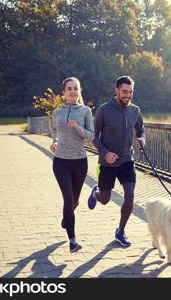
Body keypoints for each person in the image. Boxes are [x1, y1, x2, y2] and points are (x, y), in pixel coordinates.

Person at [87, 76, 145, 247]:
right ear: (117, 91)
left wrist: (142, 138)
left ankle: (120, 231)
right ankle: (96, 192)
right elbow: (94, 135)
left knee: (130, 195)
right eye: (125, 91)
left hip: (127, 160)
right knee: (104, 199)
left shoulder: (135, 110)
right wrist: (104, 153)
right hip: (108, 163)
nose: (128, 95)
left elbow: (141, 129)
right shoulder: (104, 110)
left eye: (131, 92)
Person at [50, 77, 94, 253]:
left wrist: (76, 127)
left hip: (80, 162)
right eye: (69, 88)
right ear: (64, 92)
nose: (73, 91)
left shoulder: (85, 111)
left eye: (76, 88)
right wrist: (54, 142)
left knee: (74, 201)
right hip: (61, 162)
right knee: (68, 199)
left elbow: (91, 136)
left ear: (79, 91)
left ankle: (66, 217)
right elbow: (54, 130)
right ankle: (73, 240)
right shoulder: (57, 112)